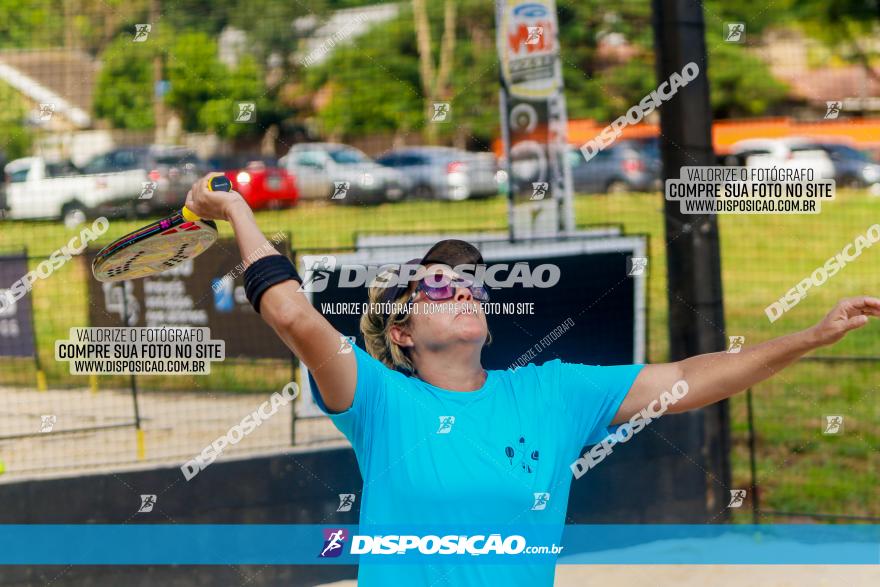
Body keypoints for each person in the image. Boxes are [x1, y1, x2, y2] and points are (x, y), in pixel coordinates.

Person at [185, 174, 879, 586]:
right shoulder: (376, 398)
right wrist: (237, 213)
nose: (458, 287)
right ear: (401, 331)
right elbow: (287, 310)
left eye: (467, 282)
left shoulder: (553, 393)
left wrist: (811, 335)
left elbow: (694, 377)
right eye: (434, 283)